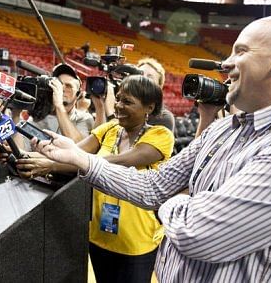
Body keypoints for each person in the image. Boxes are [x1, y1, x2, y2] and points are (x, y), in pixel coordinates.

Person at [32, 15, 271, 282]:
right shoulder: (224, 127)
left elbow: (200, 235)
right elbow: (154, 186)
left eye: (240, 51)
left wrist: (173, 203)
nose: (226, 64)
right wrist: (82, 160)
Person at [16, 75, 174, 282]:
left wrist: (51, 164)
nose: (118, 106)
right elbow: (72, 153)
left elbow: (115, 162)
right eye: (117, 99)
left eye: (127, 102)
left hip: (137, 242)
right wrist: (23, 156)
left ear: (149, 108)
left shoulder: (161, 135)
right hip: (100, 236)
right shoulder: (109, 129)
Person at [137, 57, 175, 131]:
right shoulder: (121, 106)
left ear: (159, 86)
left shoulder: (164, 117)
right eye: (140, 74)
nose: (143, 79)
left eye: (150, 77)